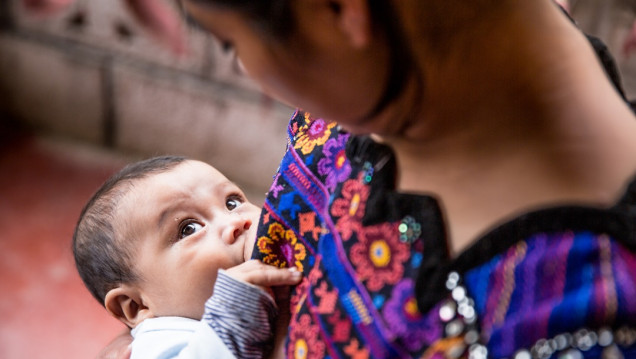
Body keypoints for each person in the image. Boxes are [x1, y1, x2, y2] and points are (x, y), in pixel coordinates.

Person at [62, 0, 636, 358]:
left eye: (233, 42)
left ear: (341, 9)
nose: (248, 69)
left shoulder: (577, 319)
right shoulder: (359, 107)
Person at [72, 155, 302, 359]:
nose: (236, 222)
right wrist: (230, 314)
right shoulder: (156, 345)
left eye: (232, 202)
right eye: (189, 228)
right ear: (137, 305)